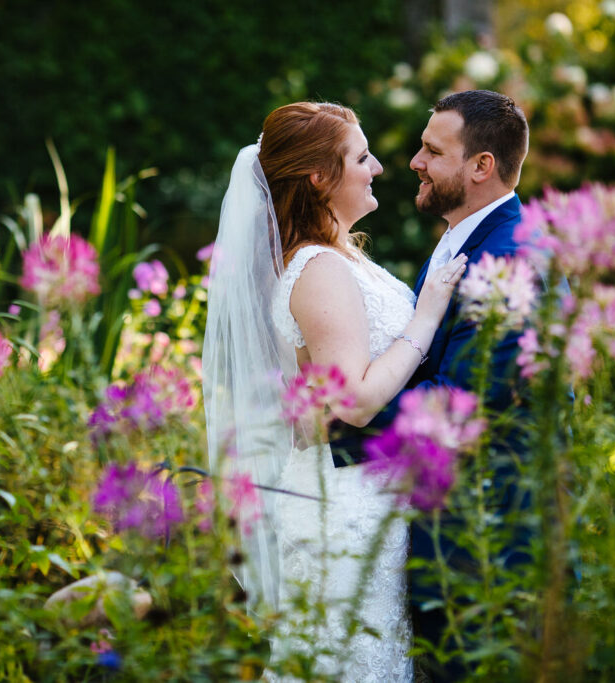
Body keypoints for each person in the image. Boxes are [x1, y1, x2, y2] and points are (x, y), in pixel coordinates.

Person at [201, 102, 467, 681]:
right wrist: (425, 321)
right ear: (319, 177)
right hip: (344, 511)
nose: (377, 167)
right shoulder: (318, 267)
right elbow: (353, 401)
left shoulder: (343, 256)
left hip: (367, 497)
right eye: (360, 157)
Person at [333, 89, 532, 680]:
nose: (414, 162)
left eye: (431, 150)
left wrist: (340, 421)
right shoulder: (462, 239)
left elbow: (458, 401)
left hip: (488, 550)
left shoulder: (510, 258)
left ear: (481, 166)